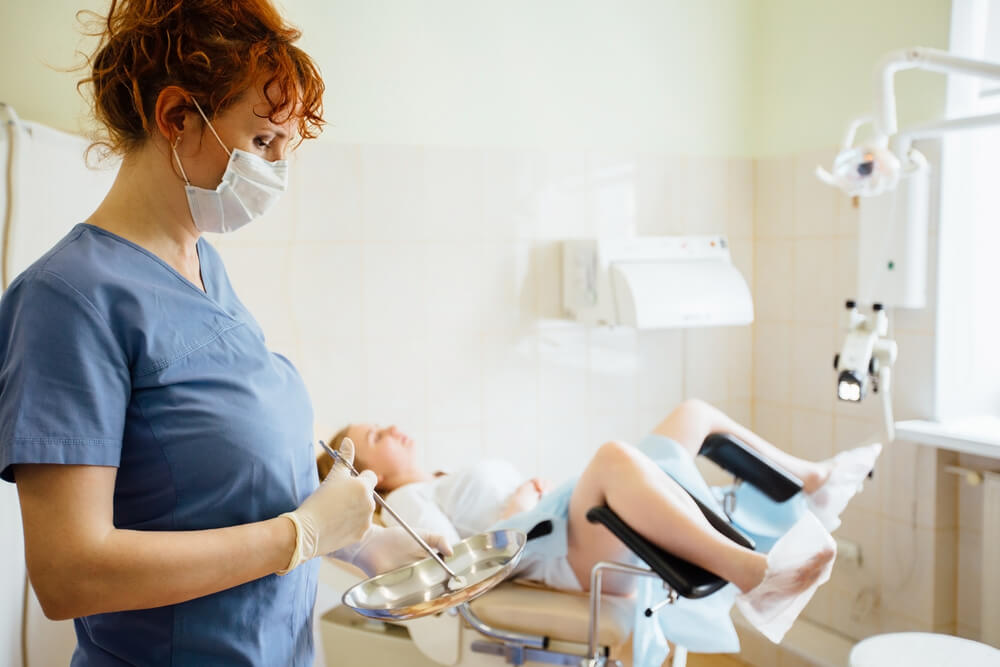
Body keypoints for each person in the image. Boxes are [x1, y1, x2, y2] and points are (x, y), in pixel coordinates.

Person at [0, 1, 446, 665]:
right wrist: (301, 535)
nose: (274, 171)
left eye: (284, 150)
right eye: (263, 141)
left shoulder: (205, 267)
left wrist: (350, 539)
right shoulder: (68, 299)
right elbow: (70, 573)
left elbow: (217, 483)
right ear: (177, 116)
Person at [323, 399, 882, 658]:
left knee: (694, 416)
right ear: (368, 479)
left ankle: (813, 481)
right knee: (615, 458)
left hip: (556, 527)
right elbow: (452, 567)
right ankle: (753, 574)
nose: (393, 427)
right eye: (376, 436)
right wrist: (511, 506)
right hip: (544, 553)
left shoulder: (436, 480)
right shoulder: (410, 502)